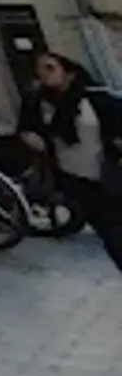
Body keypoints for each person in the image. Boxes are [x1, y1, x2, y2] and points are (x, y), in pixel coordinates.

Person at [14, 50, 122, 274]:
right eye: (39, 70)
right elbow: (25, 127)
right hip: (75, 181)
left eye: (50, 68)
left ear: (69, 72)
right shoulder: (38, 102)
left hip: (108, 176)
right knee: (111, 237)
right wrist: (30, 137)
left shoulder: (94, 98)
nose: (44, 75)